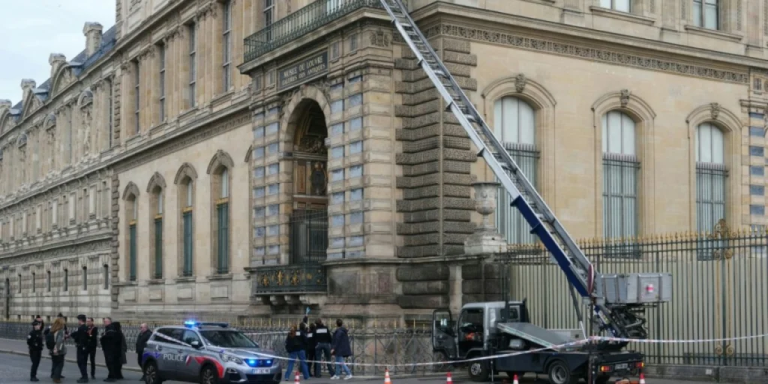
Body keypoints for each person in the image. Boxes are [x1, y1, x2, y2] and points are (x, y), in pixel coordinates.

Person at [71, 314, 90, 383]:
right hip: (85, 347)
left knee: (81, 362)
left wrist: (75, 338)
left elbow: (80, 338)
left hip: (81, 347)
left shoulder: (81, 328)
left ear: (80, 320)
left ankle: (85, 377)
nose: (78, 321)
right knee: (83, 362)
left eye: (78, 320)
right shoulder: (86, 327)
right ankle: (84, 376)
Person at [100, 318, 120, 382]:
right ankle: (110, 375)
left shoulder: (110, 328)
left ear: (109, 322)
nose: (104, 322)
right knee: (109, 362)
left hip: (110, 348)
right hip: (108, 348)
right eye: (104, 321)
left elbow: (110, 336)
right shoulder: (108, 328)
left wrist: (103, 336)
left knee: (110, 363)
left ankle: (112, 376)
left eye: (105, 321)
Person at [50, 317, 68, 383]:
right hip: (58, 351)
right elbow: (59, 341)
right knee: (59, 364)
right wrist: (57, 349)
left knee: (54, 363)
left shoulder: (52, 329)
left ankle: (54, 375)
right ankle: (56, 378)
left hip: (52, 349)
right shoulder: (60, 331)